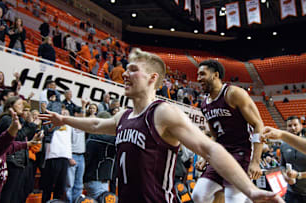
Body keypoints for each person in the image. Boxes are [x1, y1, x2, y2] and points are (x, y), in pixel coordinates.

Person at [39, 48, 283, 203]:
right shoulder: (123, 116)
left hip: (161, 198)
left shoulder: (163, 112)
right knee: (200, 195)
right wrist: (64, 120)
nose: (124, 74)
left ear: (152, 78)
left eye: (133, 70)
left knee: (224, 197)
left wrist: (251, 189)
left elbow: (210, 149)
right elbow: (94, 122)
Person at [192, 59, 263, 203]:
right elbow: (214, 136)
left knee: (234, 199)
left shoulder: (233, 93)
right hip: (220, 153)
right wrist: (205, 158)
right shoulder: (204, 103)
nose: (198, 79)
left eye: (202, 74)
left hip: (240, 150)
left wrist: (256, 161)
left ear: (215, 75)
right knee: (199, 195)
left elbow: (258, 125)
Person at [279, 116, 306, 202]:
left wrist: (299, 175)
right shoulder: (283, 145)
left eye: (295, 125)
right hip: (292, 192)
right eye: (290, 126)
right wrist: (284, 174)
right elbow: (282, 165)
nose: (293, 128)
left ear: (301, 126)